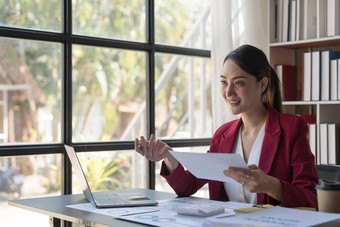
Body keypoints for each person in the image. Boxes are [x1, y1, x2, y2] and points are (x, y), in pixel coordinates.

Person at [134, 44, 318, 208]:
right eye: (224, 82)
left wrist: (271, 186)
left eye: (239, 83)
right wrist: (168, 156)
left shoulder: (292, 127)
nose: (228, 92)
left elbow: (311, 198)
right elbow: (188, 187)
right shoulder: (223, 134)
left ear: (262, 84)